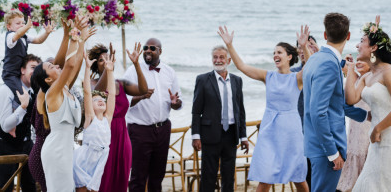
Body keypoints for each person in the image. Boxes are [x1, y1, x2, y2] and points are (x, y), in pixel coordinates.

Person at [218, 26, 309, 192]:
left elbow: (310, 68)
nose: (275, 55)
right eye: (274, 52)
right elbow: (242, 66)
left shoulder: (297, 78)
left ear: (289, 57)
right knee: (266, 177)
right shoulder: (268, 76)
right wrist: (229, 45)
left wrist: (304, 47)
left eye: (279, 52)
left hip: (291, 132)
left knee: (298, 177)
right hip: (270, 131)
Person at [302, 13, 368, 192]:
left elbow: (334, 104)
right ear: (348, 36)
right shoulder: (328, 64)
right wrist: (332, 152)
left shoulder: (315, 59)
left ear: (325, 35)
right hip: (326, 148)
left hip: (316, 142)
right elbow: (318, 112)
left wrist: (365, 115)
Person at [345, 16, 391, 192]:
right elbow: (350, 99)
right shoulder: (367, 77)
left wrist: (376, 129)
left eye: (362, 41)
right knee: (366, 185)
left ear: (374, 48)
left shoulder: (389, 71)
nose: (357, 46)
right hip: (377, 141)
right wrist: (351, 70)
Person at [31, 16, 95, 192]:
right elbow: (68, 64)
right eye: (51, 67)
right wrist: (75, 34)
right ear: (48, 79)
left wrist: (81, 39)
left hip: (66, 149)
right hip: (56, 151)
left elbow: (76, 64)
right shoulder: (50, 94)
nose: (56, 66)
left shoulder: (65, 88)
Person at [123, 38, 182, 192]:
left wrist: (176, 103)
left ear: (160, 51)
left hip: (163, 129)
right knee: (138, 176)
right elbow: (124, 101)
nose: (148, 50)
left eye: (152, 48)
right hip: (140, 130)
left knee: (158, 176)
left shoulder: (170, 72)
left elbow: (178, 101)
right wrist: (141, 96)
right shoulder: (132, 70)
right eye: (145, 47)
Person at [88, 43, 148, 192]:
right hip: (103, 137)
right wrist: (108, 72)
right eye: (101, 60)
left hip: (122, 137)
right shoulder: (92, 84)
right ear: (96, 66)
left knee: (121, 179)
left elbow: (143, 90)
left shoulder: (121, 83)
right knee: (103, 180)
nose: (107, 61)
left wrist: (136, 65)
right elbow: (97, 93)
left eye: (108, 58)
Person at [191, 45, 248, 192]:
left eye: (221, 57)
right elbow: (196, 111)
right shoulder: (202, 80)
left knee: (229, 177)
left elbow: (240, 110)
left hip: (231, 135)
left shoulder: (237, 80)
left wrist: (243, 136)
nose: (218, 60)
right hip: (210, 135)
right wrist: (195, 135)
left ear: (228, 60)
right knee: (208, 176)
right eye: (215, 57)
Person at [0, 54, 40, 192]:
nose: (35, 72)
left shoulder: (34, 91)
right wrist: (23, 106)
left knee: (30, 186)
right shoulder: (5, 90)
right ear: (22, 70)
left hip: (27, 145)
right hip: (5, 146)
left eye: (38, 69)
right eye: (32, 67)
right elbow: (6, 126)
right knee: (6, 188)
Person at [74, 50, 116, 192]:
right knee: (82, 189)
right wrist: (86, 68)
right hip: (85, 159)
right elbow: (87, 92)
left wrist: (109, 72)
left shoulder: (107, 118)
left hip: (100, 159)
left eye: (101, 99)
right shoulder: (90, 118)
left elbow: (111, 96)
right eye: (95, 100)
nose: (100, 100)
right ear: (89, 107)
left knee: (94, 190)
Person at [2, 10, 54, 104]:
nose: (22, 25)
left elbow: (38, 40)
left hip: (21, 73)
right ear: (9, 27)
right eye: (18, 23)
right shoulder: (10, 37)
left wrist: (47, 33)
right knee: (22, 95)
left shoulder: (24, 36)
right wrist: (26, 27)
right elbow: (17, 34)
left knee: (37, 88)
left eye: (23, 23)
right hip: (11, 74)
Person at [336, 59, 371, 192]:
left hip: (366, 124)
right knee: (353, 149)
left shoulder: (370, 80)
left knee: (362, 151)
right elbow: (343, 66)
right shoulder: (357, 78)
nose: (359, 62)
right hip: (354, 125)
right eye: (358, 60)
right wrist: (347, 62)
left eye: (363, 61)